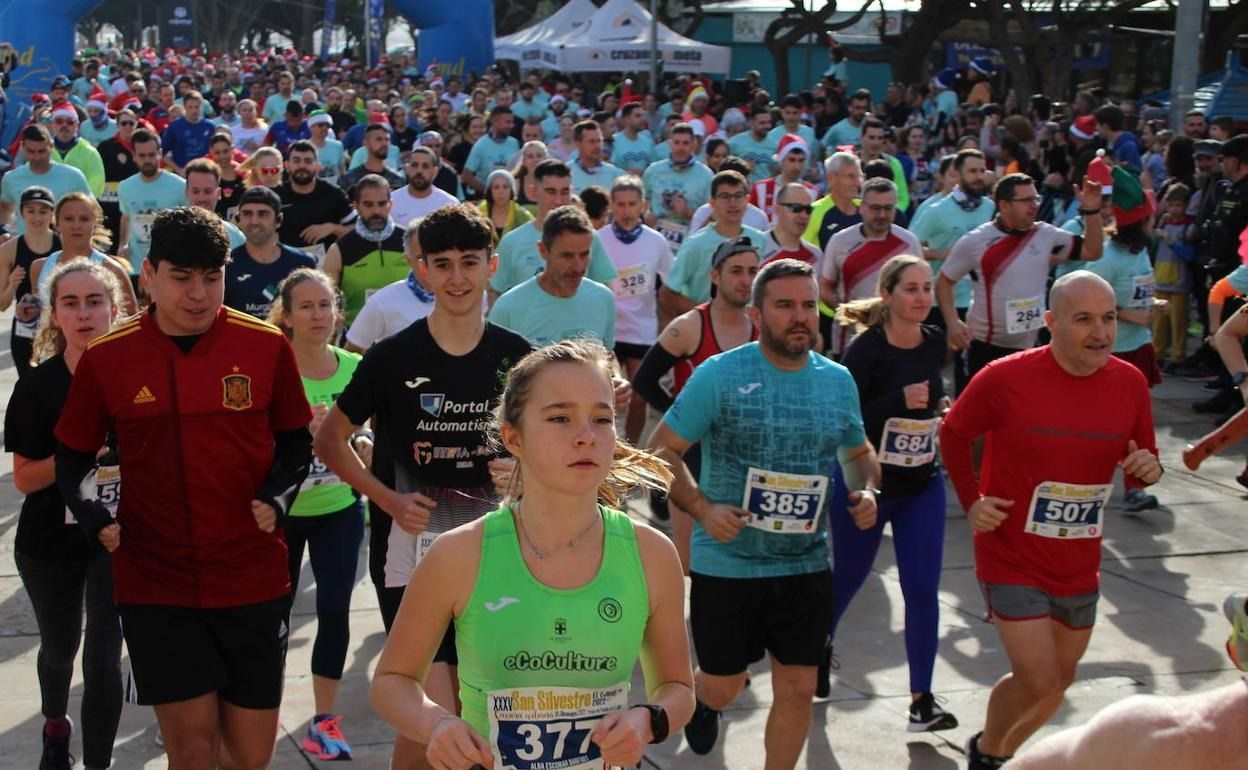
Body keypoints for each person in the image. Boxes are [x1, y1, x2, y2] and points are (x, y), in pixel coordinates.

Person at [55, 206, 314, 770]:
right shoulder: (108, 357)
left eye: (211, 277)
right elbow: (72, 455)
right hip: (156, 582)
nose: (199, 294)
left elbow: (297, 443)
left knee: (248, 758)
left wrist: (277, 497)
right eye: (181, 278)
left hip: (251, 577)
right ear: (149, 275)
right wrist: (96, 517)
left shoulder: (265, 345)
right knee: (192, 752)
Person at [370, 338, 695, 770]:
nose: (586, 436)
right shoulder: (458, 554)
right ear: (513, 438)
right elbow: (392, 681)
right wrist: (437, 725)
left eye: (602, 419)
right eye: (560, 418)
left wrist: (648, 720)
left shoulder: (652, 553)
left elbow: (678, 689)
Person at [316, 204, 536, 770]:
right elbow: (330, 441)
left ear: (491, 266)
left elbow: (547, 446)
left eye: (470, 262)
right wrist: (387, 499)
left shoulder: (518, 357)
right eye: (443, 264)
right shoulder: (392, 357)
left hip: (495, 552)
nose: (457, 277)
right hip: (409, 556)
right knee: (437, 708)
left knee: (457, 714)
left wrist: (524, 472)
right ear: (422, 269)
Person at [647, 258, 880, 769]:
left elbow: (859, 453)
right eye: (784, 305)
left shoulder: (837, 380)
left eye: (808, 305)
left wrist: (866, 491)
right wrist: (703, 509)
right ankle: (706, 700)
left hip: (805, 563)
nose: (800, 316)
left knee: (798, 688)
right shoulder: (720, 375)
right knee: (725, 684)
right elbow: (661, 451)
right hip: (729, 564)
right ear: (756, 315)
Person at [939, 271, 1163, 770]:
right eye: (1083, 320)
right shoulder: (1003, 378)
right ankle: (989, 755)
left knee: (1058, 681)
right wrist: (972, 500)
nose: (1100, 332)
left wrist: (1148, 468)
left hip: (1078, 558)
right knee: (1038, 678)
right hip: (1010, 553)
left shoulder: (1130, 382)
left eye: (1108, 318)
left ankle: (993, 752)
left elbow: (1143, 458)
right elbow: (953, 433)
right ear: (1050, 322)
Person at [826, 255, 958, 726]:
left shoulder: (935, 341)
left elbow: (932, 397)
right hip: (867, 484)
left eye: (927, 288)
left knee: (921, 589)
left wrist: (941, 408)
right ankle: (816, 647)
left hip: (921, 483)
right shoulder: (866, 351)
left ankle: (922, 698)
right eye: (911, 289)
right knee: (848, 577)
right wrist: (897, 402)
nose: (922, 297)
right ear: (887, 294)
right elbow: (843, 419)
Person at [7, 261, 126, 770]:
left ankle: (99, 763)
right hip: (49, 540)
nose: (84, 314)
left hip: (114, 537)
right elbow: (24, 478)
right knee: (60, 649)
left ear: (114, 309)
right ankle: (55, 726)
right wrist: (77, 456)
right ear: (55, 314)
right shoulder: (37, 387)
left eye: (95, 302)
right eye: (71, 303)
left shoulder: (136, 379)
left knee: (103, 657)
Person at [264, 269, 368, 761]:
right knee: (274, 616)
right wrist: (302, 431)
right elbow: (251, 443)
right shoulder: (272, 368)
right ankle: (260, 710)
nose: (318, 315)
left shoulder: (355, 368)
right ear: (286, 317)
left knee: (334, 610)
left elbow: (370, 431)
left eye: (325, 305)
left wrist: (360, 441)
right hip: (282, 514)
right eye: (305, 306)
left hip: (338, 508)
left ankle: (324, 722)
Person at [632, 237, 761, 570]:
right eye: (736, 271)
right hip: (693, 454)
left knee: (741, 552)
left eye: (752, 271)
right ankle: (662, 492)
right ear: (715, 276)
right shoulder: (690, 326)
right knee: (691, 560)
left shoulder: (761, 326)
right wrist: (682, 419)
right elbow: (644, 380)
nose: (745, 280)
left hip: (742, 454)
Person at [938, 173, 1104, 381]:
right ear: (1004, 205)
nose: (1034, 206)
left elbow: (1092, 252)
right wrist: (953, 322)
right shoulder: (975, 241)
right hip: (984, 347)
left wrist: (1092, 211)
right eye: (1026, 200)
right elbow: (944, 282)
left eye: (1035, 198)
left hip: (1030, 347)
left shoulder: (1046, 234)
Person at [909, 148, 994, 391]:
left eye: (982, 171)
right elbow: (911, 246)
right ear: (958, 173)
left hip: (975, 298)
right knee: (934, 363)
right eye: (972, 171)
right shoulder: (936, 210)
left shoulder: (990, 207)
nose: (978, 177)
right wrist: (940, 254)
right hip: (941, 299)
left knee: (967, 366)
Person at [599, 176, 675, 444]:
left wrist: (667, 324)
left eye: (632, 204)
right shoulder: (599, 239)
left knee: (639, 397)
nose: (627, 211)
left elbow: (671, 284)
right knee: (604, 397)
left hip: (641, 330)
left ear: (643, 205)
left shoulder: (656, 241)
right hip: (607, 331)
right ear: (611, 205)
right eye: (620, 205)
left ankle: (629, 450)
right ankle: (606, 447)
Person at [820, 177, 923, 357]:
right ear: (862, 207)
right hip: (849, 341)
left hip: (898, 341)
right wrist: (849, 311)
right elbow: (825, 287)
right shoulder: (840, 241)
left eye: (888, 208)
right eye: (875, 208)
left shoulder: (909, 242)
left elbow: (920, 288)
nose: (882, 215)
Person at [489, 158, 618, 300]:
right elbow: (495, 292)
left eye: (564, 192)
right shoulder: (512, 242)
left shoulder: (590, 238)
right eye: (551, 192)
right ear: (533, 192)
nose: (558, 201)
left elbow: (604, 289)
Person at [490, 205, 617, 348]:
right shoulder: (508, 308)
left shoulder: (603, 299)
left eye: (584, 254)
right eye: (567, 256)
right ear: (543, 250)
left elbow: (608, 357)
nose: (578, 266)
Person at [661, 170, 767, 318]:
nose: (732, 203)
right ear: (712, 202)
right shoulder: (696, 244)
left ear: (747, 200)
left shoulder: (761, 240)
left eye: (738, 196)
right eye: (725, 197)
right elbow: (668, 293)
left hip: (749, 327)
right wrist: (708, 318)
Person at [31, 193, 137, 317]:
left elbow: (132, 319)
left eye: (84, 219)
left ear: (95, 224)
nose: (76, 226)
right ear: (57, 224)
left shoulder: (112, 269)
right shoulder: (39, 267)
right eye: (69, 219)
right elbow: (36, 317)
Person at [323, 175, 409, 326]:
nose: (376, 211)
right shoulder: (339, 250)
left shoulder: (410, 242)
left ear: (390, 204)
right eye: (368, 204)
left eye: (382, 204)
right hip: (356, 334)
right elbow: (328, 301)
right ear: (356, 206)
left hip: (405, 331)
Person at [225, 186, 317, 318]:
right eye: (247, 214)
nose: (254, 221)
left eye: (263, 214)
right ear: (238, 219)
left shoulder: (303, 263)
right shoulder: (227, 264)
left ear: (278, 220)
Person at [0, 187, 62, 375]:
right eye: (31, 211)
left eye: (43, 211)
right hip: (25, 329)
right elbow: (2, 305)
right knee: (26, 384)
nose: (37, 217)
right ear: (21, 213)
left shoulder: (63, 244)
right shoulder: (9, 249)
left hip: (59, 326)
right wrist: (12, 285)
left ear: (52, 213)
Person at [117, 128, 188, 277]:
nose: (147, 160)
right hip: (137, 267)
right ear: (134, 156)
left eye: (151, 155)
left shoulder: (180, 187)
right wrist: (123, 244)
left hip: (170, 266)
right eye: (142, 156)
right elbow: (126, 216)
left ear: (160, 154)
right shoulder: (125, 187)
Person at [0, 124, 92, 237]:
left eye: (41, 151)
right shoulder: (11, 178)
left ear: (51, 146)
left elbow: (92, 211)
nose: (37, 157)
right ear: (22, 147)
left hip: (64, 244)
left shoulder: (73, 176)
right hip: (24, 245)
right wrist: (4, 232)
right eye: (31, 151)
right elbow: (5, 208)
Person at [275, 140, 354, 262]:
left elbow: (357, 229)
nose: (302, 166)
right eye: (296, 161)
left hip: (326, 265)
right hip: (284, 263)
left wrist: (333, 228)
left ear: (318, 166)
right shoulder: (275, 196)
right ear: (287, 165)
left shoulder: (333, 194)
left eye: (308, 161)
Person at [642, 123, 715, 249]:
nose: (680, 148)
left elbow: (712, 215)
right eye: (676, 143)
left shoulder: (706, 175)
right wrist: (645, 217)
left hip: (689, 244)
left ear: (693, 145)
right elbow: (642, 203)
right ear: (670, 144)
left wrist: (688, 212)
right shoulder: (653, 171)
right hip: (654, 242)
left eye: (685, 143)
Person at [805, 151, 863, 251]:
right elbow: (803, 252)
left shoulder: (866, 208)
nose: (857, 182)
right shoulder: (813, 212)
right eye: (850, 176)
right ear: (831, 178)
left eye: (859, 176)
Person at [749, 135, 816, 222]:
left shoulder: (813, 192)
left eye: (801, 161)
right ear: (781, 160)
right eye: (792, 160)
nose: (797, 166)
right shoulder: (760, 188)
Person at [47, 102, 106, 198]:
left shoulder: (89, 153)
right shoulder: (43, 151)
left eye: (70, 122)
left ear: (77, 125)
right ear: (52, 124)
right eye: (59, 121)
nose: (64, 125)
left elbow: (96, 187)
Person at [184, 158, 246, 248]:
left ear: (218, 193)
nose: (201, 198)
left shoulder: (235, 238)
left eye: (208, 191)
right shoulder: (172, 235)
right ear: (186, 192)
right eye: (195, 191)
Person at [390, 146, 459, 227]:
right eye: (415, 165)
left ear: (435, 171)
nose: (419, 171)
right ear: (407, 169)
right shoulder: (391, 202)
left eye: (425, 166)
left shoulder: (449, 204)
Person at [462, 106, 519, 198]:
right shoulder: (481, 145)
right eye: (507, 122)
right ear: (495, 121)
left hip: (510, 197)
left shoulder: (514, 143)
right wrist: (487, 191)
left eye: (512, 122)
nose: (511, 126)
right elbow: (466, 176)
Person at [761, 183, 821, 266]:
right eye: (796, 208)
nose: (804, 215)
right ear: (777, 209)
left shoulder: (816, 256)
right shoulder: (756, 247)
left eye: (808, 209)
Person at [340, 124, 407, 193]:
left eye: (387, 139)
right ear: (366, 143)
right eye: (379, 139)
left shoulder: (397, 180)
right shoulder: (349, 179)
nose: (384, 143)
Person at [162, 91, 215, 174]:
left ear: (201, 107)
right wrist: (178, 170)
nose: (194, 110)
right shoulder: (174, 126)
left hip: (205, 172)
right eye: (190, 107)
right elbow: (163, 153)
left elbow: (215, 151)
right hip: (181, 173)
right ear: (184, 107)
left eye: (197, 107)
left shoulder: (210, 126)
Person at [570, 119, 625, 193]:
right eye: (591, 141)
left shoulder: (615, 174)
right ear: (578, 144)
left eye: (599, 141)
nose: (597, 146)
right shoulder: (567, 173)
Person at [477, 169, 533, 242]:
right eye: (496, 187)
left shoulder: (521, 214)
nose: (501, 191)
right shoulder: (479, 214)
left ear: (511, 190)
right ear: (490, 191)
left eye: (505, 187)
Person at [729, 108, 778, 185]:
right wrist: (742, 166)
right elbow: (725, 168)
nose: (767, 126)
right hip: (742, 188)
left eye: (769, 122)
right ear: (751, 123)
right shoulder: (734, 142)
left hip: (766, 189)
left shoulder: (775, 144)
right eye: (762, 123)